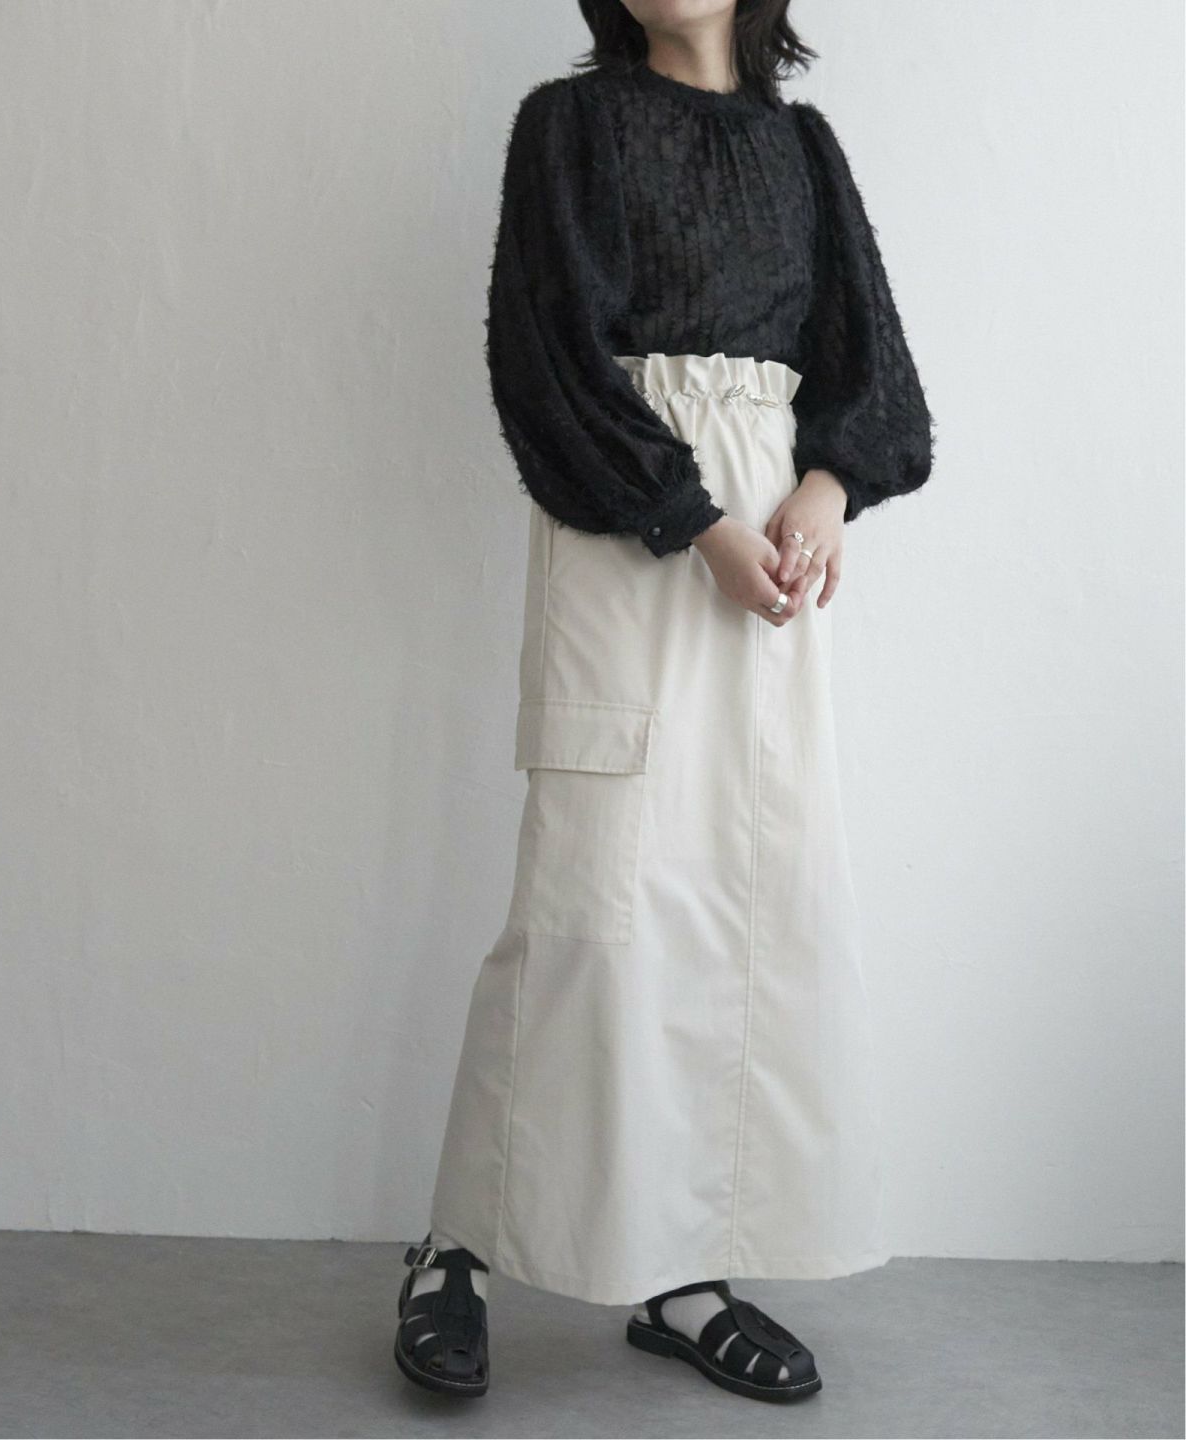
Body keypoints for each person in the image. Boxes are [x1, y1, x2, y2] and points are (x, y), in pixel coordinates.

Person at [394, 0, 934, 1404]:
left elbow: (873, 370)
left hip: (772, 568)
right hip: (629, 542)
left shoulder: (804, 151)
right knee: (585, 908)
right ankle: (453, 1249)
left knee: (739, 909)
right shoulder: (569, 127)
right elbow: (544, 360)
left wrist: (826, 488)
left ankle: (685, 1277)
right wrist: (694, 521)